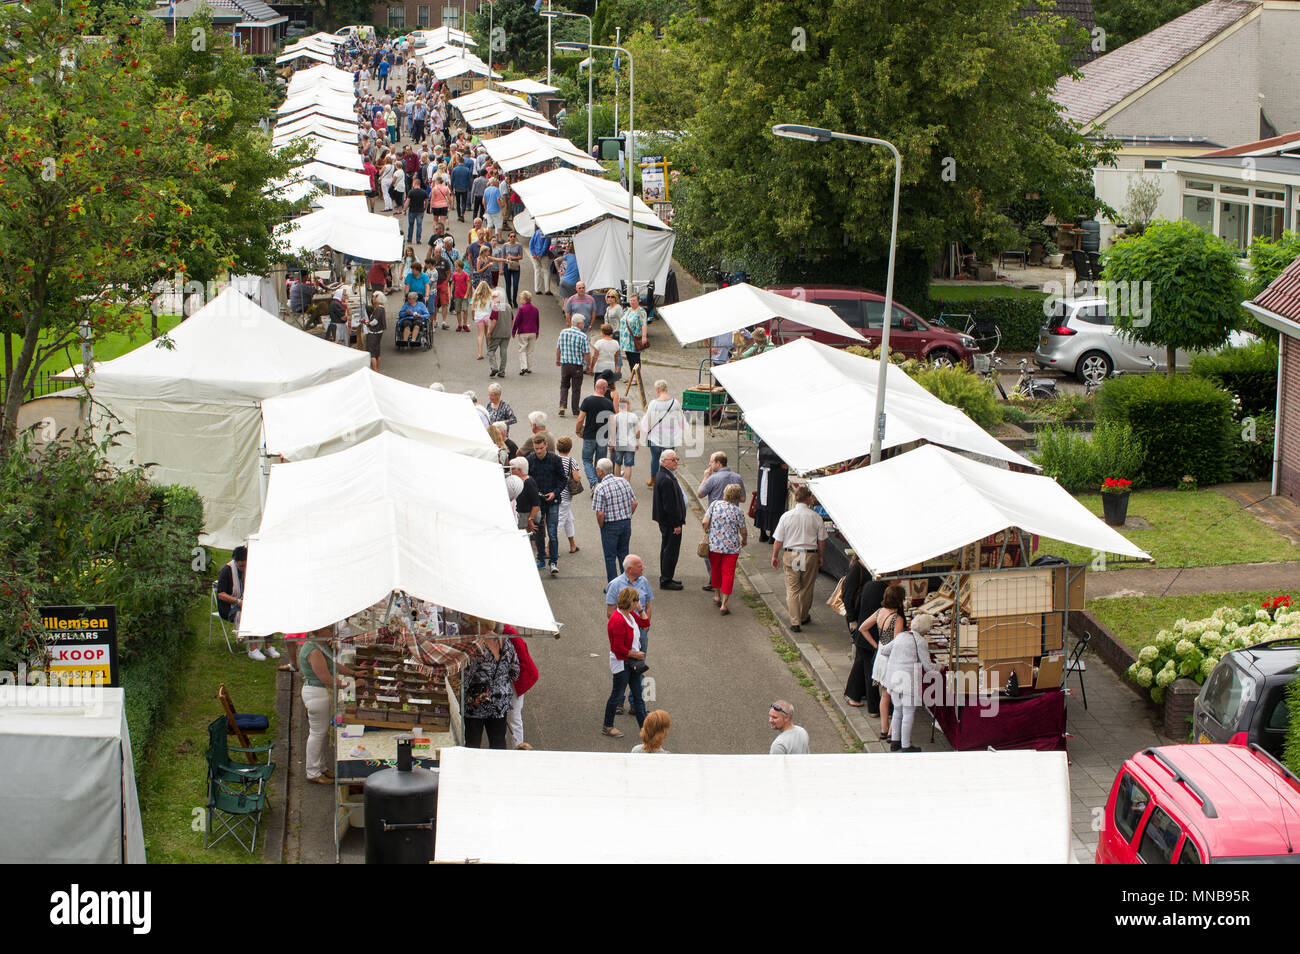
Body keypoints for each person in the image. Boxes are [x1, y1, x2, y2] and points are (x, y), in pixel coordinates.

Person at [300, 626, 355, 782]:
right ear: (320, 631)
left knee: (321, 733)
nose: (331, 631)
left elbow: (334, 665)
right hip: (316, 694)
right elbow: (326, 678)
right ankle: (313, 772)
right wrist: (350, 684)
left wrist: (353, 673)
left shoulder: (320, 645)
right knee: (317, 734)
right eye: (329, 629)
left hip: (317, 693)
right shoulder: (315, 651)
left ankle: (321, 767)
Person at [879, 614, 940, 753]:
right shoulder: (921, 642)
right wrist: (940, 667)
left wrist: (897, 659)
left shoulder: (901, 636)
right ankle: (906, 745)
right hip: (908, 680)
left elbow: (884, 650)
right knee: (908, 711)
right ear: (925, 630)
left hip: (893, 678)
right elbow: (928, 667)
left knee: (897, 710)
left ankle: (895, 741)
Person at [771, 486, 827, 632]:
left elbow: (778, 540)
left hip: (793, 554)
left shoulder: (786, 516)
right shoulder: (816, 517)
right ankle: (803, 615)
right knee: (807, 588)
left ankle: (795, 621)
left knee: (792, 589)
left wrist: (775, 556)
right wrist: (821, 556)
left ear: (796, 498)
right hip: (810, 554)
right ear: (808, 499)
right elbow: (821, 541)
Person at [462, 618, 520, 750]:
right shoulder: (506, 643)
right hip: (500, 702)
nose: (472, 628)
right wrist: (501, 681)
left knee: (473, 743)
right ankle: (497, 769)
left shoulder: (476, 646)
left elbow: (467, 677)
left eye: (473, 625)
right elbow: (515, 672)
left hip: (477, 702)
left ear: (480, 625)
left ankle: (472, 769)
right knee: (498, 743)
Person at [602, 587, 649, 738]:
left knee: (638, 695)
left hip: (632, 661)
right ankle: (608, 726)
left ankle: (645, 730)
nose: (638, 603)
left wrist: (641, 610)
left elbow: (645, 622)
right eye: (637, 601)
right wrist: (635, 654)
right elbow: (617, 648)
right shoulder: (617, 620)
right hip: (622, 663)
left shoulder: (630, 615)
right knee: (617, 695)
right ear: (630, 601)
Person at [843, 554, 887, 711]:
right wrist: (852, 619)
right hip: (858, 619)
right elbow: (846, 595)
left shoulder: (864, 568)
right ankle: (853, 693)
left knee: (862, 658)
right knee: (862, 658)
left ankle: (856, 692)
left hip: (863, 619)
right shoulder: (857, 569)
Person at [867, 584, 906, 741]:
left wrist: (876, 645)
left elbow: (863, 628)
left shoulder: (880, 612)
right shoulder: (897, 619)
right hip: (891, 660)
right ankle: (892, 731)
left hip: (880, 658)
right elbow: (897, 643)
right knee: (896, 697)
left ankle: (884, 729)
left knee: (884, 695)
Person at [702, 483, 747, 615]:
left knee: (715, 570)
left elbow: (705, 522)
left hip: (714, 545)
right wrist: (744, 540)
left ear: (725, 494)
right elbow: (743, 530)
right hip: (731, 548)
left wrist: (708, 532)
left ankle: (716, 595)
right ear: (738, 497)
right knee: (728, 573)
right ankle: (724, 604)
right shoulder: (738, 512)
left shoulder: (715, 505)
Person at [591, 457, 637, 582]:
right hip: (625, 523)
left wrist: (601, 525)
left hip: (610, 525)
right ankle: (626, 582)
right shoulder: (624, 482)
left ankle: (613, 584)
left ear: (600, 471)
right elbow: (634, 503)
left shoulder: (600, 488)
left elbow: (600, 513)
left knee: (610, 557)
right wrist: (627, 515)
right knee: (624, 554)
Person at [526, 434, 566, 576]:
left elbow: (563, 479)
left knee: (552, 532)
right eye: (536, 448)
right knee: (538, 532)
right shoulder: (530, 460)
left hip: (552, 501)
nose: (538, 451)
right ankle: (541, 558)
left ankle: (553, 562)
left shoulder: (555, 459)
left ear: (546, 446)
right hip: (537, 502)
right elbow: (527, 480)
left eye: (541, 448)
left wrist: (554, 493)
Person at [652, 449, 687, 589]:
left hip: (667, 522)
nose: (676, 462)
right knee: (670, 550)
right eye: (673, 460)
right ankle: (666, 580)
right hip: (670, 523)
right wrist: (676, 524)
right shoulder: (666, 479)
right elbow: (670, 506)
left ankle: (667, 576)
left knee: (667, 549)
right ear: (664, 461)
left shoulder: (665, 474)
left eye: (677, 459)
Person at [641, 381, 685, 488]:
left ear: (657, 390)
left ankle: (654, 480)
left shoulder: (653, 404)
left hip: (655, 437)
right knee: (669, 459)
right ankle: (669, 479)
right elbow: (681, 420)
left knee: (655, 458)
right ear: (666, 389)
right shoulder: (675, 402)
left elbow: (648, 420)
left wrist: (644, 430)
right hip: (670, 437)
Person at [575, 377, 615, 488]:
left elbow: (580, 419)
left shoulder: (587, 400)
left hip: (589, 436)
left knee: (587, 460)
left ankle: (594, 483)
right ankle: (599, 485)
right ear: (604, 388)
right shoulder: (608, 403)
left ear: (596, 387)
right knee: (600, 462)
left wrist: (578, 430)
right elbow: (612, 423)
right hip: (603, 437)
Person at [504, 624, 538, 749]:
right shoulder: (508, 632)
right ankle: (518, 747)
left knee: (513, 716)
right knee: (512, 717)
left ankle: (518, 748)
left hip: (517, 680)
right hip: (514, 679)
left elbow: (522, 659)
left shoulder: (508, 634)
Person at [754, 438, 790, 544]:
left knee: (763, 503)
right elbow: (784, 465)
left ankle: (763, 533)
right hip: (776, 477)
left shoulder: (762, 442)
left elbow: (759, 461)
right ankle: (772, 536)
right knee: (775, 504)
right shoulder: (781, 443)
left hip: (763, 474)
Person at [556, 316, 591, 418]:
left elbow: (558, 348)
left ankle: (562, 405)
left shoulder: (563, 332)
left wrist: (558, 359)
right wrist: (588, 365)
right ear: (578, 324)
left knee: (564, 385)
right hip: (577, 365)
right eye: (583, 322)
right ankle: (575, 409)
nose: (584, 324)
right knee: (576, 388)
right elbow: (587, 353)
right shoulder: (583, 336)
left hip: (565, 364)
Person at [555, 435, 580, 555]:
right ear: (569, 448)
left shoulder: (554, 459)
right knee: (559, 522)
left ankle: (572, 544)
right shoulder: (571, 461)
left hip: (555, 493)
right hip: (565, 495)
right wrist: (579, 477)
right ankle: (549, 547)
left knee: (569, 519)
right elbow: (576, 477)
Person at [609, 400, 640, 481]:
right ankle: (627, 484)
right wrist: (637, 442)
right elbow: (637, 431)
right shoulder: (633, 416)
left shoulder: (615, 417)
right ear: (628, 405)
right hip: (630, 443)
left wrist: (612, 444)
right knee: (628, 465)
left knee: (617, 463)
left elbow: (612, 432)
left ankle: (617, 483)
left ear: (619, 406)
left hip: (619, 443)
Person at [619, 291, 648, 372]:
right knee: (629, 358)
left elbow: (644, 324)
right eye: (631, 300)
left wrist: (644, 336)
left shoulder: (641, 311)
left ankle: (636, 377)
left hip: (634, 339)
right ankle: (632, 375)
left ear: (638, 301)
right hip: (626, 340)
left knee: (635, 358)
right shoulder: (628, 310)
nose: (632, 302)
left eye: (634, 300)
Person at [486, 288, 512, 378]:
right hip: (506, 333)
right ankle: (502, 371)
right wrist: (510, 329)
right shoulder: (508, 307)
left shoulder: (496, 307)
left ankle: (494, 367)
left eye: (494, 297)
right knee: (504, 351)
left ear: (499, 298)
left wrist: (489, 331)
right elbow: (511, 319)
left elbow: (494, 321)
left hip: (497, 333)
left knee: (491, 350)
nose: (492, 298)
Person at [512, 290, 539, 374]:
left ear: (524, 299)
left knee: (522, 349)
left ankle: (524, 367)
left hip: (523, 331)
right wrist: (537, 332)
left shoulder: (521, 309)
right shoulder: (535, 309)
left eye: (521, 298)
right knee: (530, 350)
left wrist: (514, 330)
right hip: (533, 332)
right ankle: (529, 367)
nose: (520, 300)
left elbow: (517, 320)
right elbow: (537, 321)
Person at [510, 457, 539, 532]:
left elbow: (536, 504)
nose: (510, 471)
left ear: (519, 470)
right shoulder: (518, 481)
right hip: (521, 516)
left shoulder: (529, 482)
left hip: (528, 517)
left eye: (513, 468)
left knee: (531, 541)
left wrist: (530, 520)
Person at [590, 322, 622, 387]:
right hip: (611, 367)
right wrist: (614, 365)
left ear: (603, 332)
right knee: (609, 386)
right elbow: (616, 357)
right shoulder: (616, 343)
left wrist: (591, 367)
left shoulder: (599, 343)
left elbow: (595, 357)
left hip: (600, 367)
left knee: (598, 386)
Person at [500, 230, 523, 308]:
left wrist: (513, 257)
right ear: (508, 238)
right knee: (508, 284)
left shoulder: (519, 245)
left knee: (515, 285)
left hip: (515, 266)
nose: (512, 238)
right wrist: (501, 269)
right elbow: (503, 257)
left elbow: (521, 256)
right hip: (507, 266)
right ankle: (509, 301)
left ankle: (514, 299)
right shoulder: (505, 246)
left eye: (514, 236)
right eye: (511, 236)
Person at [471, 280, 492, 361]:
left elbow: (473, 308)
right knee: (488, 333)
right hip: (487, 316)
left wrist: (473, 316)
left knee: (480, 335)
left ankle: (479, 353)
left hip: (479, 317)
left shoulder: (475, 296)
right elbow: (492, 307)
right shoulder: (489, 296)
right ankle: (489, 350)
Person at [365, 290, 386, 371]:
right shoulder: (382, 308)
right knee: (377, 351)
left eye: (373, 297)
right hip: (379, 332)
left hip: (374, 332)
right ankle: (377, 368)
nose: (372, 299)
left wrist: (368, 323)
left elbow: (375, 322)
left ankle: (375, 369)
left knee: (372, 352)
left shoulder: (378, 309)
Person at [529, 226, 552, 295]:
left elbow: (531, 243)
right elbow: (546, 245)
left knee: (537, 271)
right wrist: (540, 254)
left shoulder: (536, 232)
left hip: (535, 255)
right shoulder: (547, 233)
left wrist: (533, 253)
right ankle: (547, 289)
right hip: (544, 255)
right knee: (546, 271)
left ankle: (537, 289)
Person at [451, 153, 473, 221]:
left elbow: (452, 180)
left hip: (457, 188)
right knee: (464, 202)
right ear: (463, 162)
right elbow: (469, 180)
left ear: (458, 162)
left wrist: (451, 188)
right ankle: (462, 214)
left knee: (458, 202)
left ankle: (459, 215)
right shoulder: (467, 170)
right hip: (464, 188)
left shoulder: (454, 169)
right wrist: (470, 188)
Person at [451, 259, 471, 331]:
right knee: (458, 310)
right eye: (455, 267)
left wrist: (466, 294)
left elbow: (468, 284)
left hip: (464, 295)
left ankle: (465, 324)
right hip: (457, 294)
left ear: (460, 267)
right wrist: (451, 293)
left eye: (456, 266)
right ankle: (459, 324)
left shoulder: (465, 274)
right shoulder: (454, 274)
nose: (455, 268)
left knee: (465, 310)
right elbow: (452, 283)